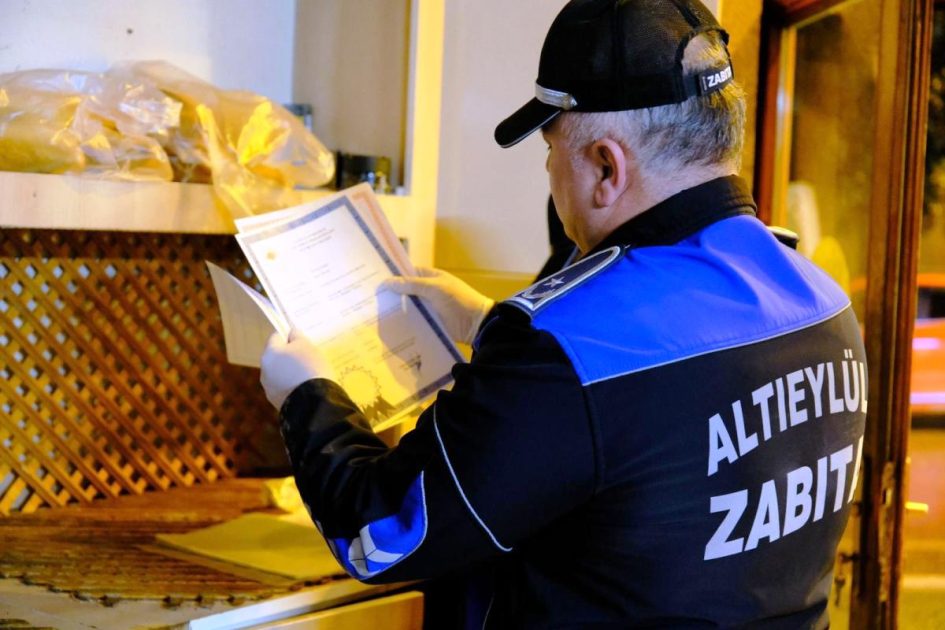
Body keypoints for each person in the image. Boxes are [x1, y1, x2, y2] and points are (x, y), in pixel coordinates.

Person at [259, 0, 868, 627]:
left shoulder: (562, 348)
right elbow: (658, 427)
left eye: (550, 148)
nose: (550, 170)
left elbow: (384, 532)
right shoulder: (825, 303)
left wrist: (304, 396)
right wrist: (483, 323)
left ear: (606, 166)